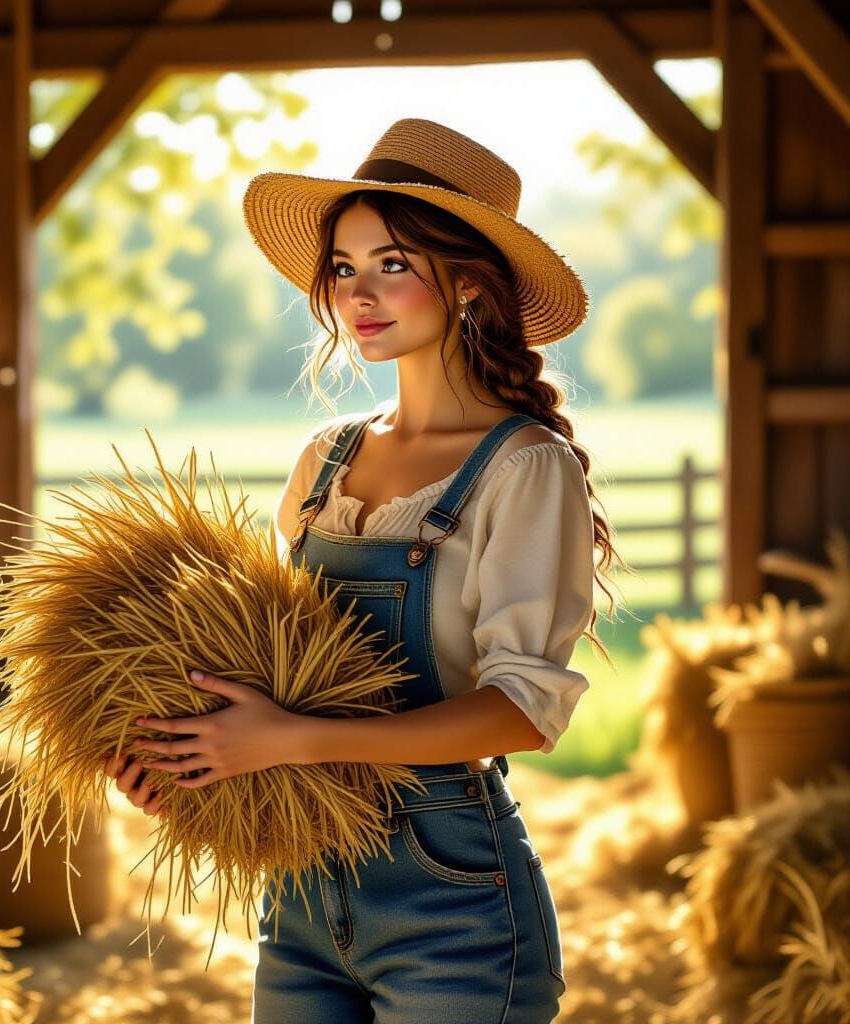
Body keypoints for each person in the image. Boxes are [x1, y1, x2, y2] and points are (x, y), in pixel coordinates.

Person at [106, 117, 623, 1023]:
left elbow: (520, 712)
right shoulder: (324, 462)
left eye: (392, 263)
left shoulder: (525, 467)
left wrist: (290, 740)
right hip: (302, 891)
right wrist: (195, 769)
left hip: (452, 902)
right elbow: (280, 680)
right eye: (343, 268)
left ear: (467, 284)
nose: (359, 293)